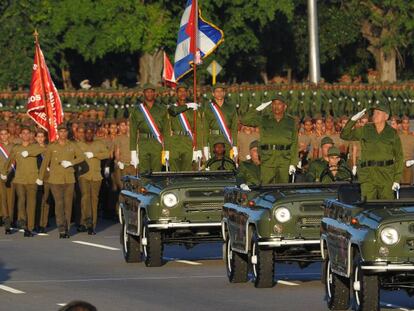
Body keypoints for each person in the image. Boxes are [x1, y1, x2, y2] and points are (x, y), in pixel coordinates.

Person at [341, 102, 403, 200]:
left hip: (386, 175)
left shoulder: (392, 133)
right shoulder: (365, 130)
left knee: (386, 206)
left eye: (378, 113)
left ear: (386, 117)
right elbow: (344, 135)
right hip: (368, 175)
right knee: (368, 205)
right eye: (374, 113)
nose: (374, 115)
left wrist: (397, 179)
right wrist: (353, 120)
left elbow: (399, 157)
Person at [38, 124, 85, 238]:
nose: (63, 134)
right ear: (57, 133)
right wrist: (40, 177)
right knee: (59, 204)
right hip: (55, 179)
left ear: (67, 133)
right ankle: (61, 229)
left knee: (68, 205)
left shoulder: (72, 145)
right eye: (60, 132)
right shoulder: (52, 146)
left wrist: (71, 163)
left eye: (64, 131)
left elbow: (82, 157)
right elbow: (45, 163)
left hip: (69, 179)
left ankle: (67, 228)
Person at [241, 95, 298, 184]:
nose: (276, 106)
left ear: (285, 106)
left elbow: (294, 143)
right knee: (266, 186)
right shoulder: (264, 119)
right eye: (274, 104)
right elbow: (244, 120)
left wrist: (293, 163)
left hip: (284, 160)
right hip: (268, 159)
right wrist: (258, 108)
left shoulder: (291, 121)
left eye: (279, 104)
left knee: (282, 187)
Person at [1, 125, 44, 237]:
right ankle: (23, 222)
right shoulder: (16, 148)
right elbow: (9, 161)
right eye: (23, 133)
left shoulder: (35, 147)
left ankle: (29, 228)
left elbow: (42, 149)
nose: (25, 135)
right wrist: (4, 173)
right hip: (19, 179)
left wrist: (29, 153)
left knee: (31, 203)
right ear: (20, 135)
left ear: (30, 135)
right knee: (21, 201)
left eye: (27, 133)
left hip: (32, 179)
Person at [77, 125, 109, 235]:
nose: (89, 135)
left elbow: (107, 154)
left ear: (93, 134)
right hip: (83, 175)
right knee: (85, 198)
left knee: (94, 199)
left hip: (96, 176)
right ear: (84, 134)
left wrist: (94, 155)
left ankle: (92, 225)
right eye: (87, 133)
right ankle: (86, 222)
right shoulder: (79, 144)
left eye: (91, 133)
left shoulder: (99, 143)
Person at [163, 84, 202, 171]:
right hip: (174, 142)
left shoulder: (193, 110)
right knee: (174, 171)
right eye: (180, 91)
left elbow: (198, 129)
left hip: (188, 141)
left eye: (184, 91)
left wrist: (198, 148)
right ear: (176, 93)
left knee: (187, 170)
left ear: (187, 93)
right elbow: (167, 128)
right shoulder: (171, 107)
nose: (182, 93)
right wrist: (166, 149)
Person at [129, 83, 165, 173]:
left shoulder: (162, 109)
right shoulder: (136, 110)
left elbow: (167, 130)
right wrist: (133, 151)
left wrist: (167, 149)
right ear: (143, 93)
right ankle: (145, 187)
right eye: (147, 92)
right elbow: (133, 132)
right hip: (143, 143)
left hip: (157, 143)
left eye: (151, 92)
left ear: (154, 93)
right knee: (144, 173)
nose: (149, 94)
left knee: (157, 172)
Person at [203, 84, 238, 164]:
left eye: (221, 91)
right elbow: (205, 128)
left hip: (227, 138)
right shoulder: (208, 108)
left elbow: (234, 128)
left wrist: (235, 145)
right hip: (213, 139)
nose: (219, 93)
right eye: (217, 91)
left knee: (228, 164)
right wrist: (205, 146)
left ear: (224, 93)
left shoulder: (231, 107)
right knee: (213, 164)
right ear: (213, 94)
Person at [35, 129, 50, 233]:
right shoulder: (32, 149)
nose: (40, 138)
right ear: (35, 138)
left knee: (46, 200)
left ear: (45, 138)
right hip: (35, 177)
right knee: (36, 201)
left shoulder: (49, 149)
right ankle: (35, 222)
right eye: (38, 136)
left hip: (47, 177)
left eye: (42, 136)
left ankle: (43, 224)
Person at [0, 126, 14, 234]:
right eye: (2, 134)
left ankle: (11, 218)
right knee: (3, 199)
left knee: (11, 199)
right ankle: (6, 220)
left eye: (5, 134)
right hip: (0, 176)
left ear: (9, 135)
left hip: (12, 175)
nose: (4, 136)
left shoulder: (14, 147)